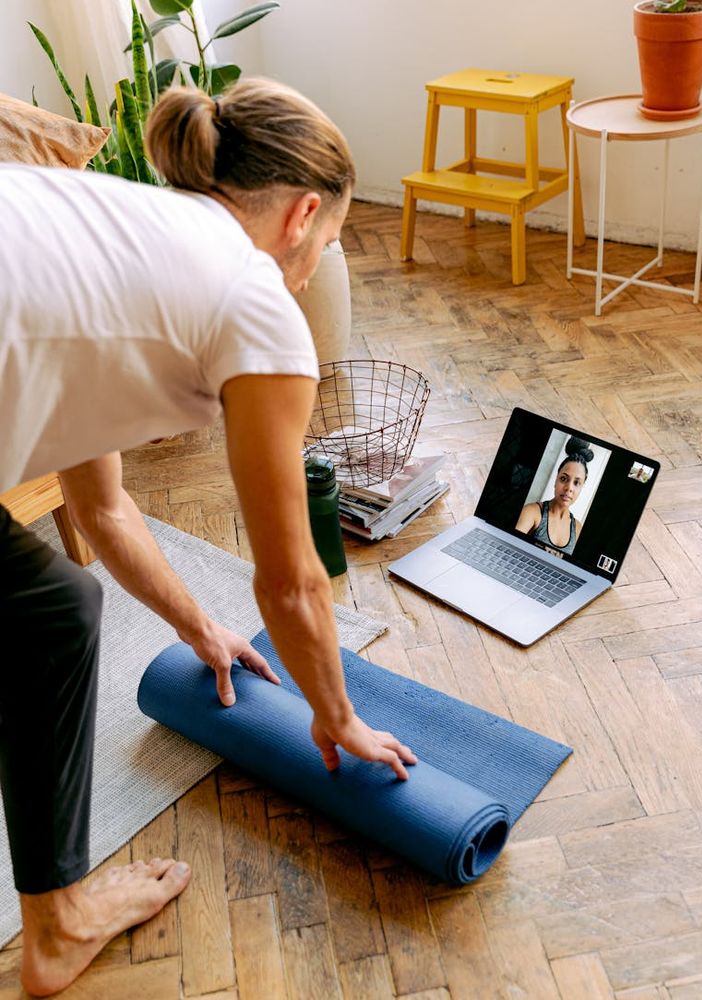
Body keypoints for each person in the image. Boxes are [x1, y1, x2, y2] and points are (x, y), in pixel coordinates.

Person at [0, 78, 416, 997]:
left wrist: (197, 629)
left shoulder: (122, 225)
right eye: (332, 243)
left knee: (47, 604)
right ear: (304, 215)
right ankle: (59, 928)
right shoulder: (254, 297)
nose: (314, 268)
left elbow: (101, 506)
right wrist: (337, 718)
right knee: (47, 614)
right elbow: (295, 582)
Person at [515, 438, 595, 556]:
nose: (569, 488)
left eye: (576, 483)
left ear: (582, 487)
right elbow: (510, 546)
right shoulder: (532, 512)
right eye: (563, 479)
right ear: (556, 480)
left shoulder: (578, 529)